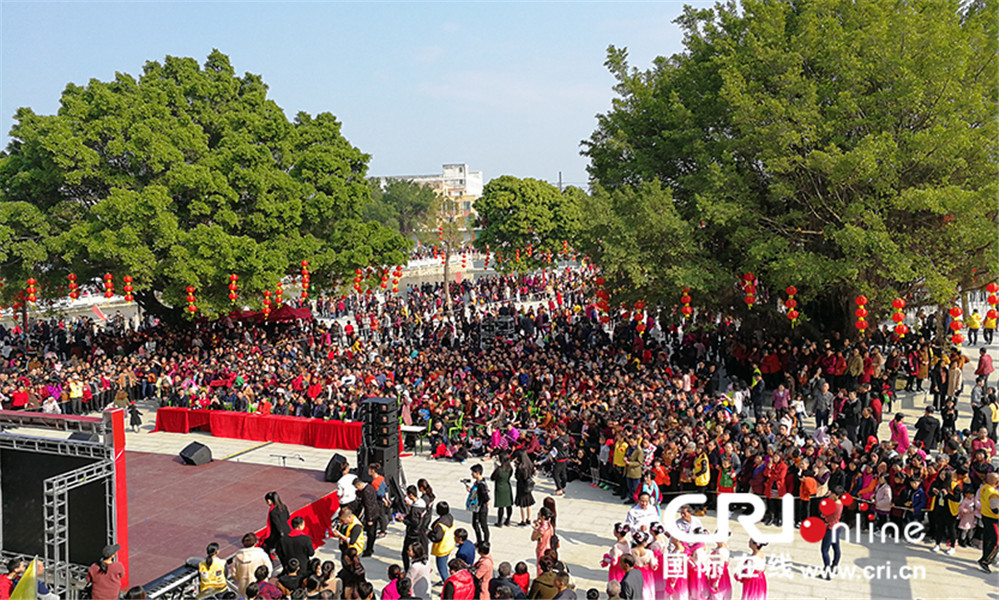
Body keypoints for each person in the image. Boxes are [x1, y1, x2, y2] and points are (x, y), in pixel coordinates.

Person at [229, 533, 272, 597]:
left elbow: (234, 573)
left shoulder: (237, 557)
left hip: (243, 586)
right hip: (259, 586)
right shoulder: (262, 555)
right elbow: (269, 569)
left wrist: (241, 579)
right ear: (255, 542)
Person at [819, 486, 843, 578]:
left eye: (832, 494)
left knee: (824, 550)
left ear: (836, 496)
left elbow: (824, 515)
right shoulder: (839, 504)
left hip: (830, 529)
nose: (830, 494)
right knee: (836, 547)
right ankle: (835, 565)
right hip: (836, 527)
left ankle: (827, 571)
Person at [429, 501, 456, 582]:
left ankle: (446, 582)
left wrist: (429, 533)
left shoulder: (440, 525)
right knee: (444, 564)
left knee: (442, 567)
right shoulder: (450, 517)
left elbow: (437, 537)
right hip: (449, 544)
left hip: (442, 548)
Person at [354, 476, 381, 556]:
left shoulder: (366, 492)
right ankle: (370, 548)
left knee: (371, 533)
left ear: (359, 485)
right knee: (372, 533)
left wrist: (369, 519)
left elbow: (368, 506)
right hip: (376, 511)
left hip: (371, 515)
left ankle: (369, 549)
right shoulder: (370, 487)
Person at [466, 464, 491, 544]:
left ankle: (486, 542)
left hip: (481, 508)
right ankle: (479, 540)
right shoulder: (478, 482)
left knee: (483, 525)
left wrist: (486, 501)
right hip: (477, 507)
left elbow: (485, 496)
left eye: (473, 472)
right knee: (475, 524)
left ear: (478, 473)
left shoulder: (481, 485)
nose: (472, 474)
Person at [979, 472, 999, 573]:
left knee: (987, 539)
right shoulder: (993, 494)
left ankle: (984, 556)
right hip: (993, 519)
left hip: (985, 515)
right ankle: (986, 561)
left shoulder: (984, 488)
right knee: (996, 541)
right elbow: (995, 509)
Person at [263, 491, 291, 560]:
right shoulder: (283, 506)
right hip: (287, 529)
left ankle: (270, 559)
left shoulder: (273, 512)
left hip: (278, 533)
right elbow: (287, 517)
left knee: (265, 545)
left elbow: (277, 525)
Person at [492, 451, 515, 527]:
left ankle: (499, 522)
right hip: (507, 486)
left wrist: (495, 469)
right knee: (508, 505)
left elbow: (492, 478)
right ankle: (508, 520)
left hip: (500, 487)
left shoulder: (499, 469)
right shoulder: (510, 468)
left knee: (501, 506)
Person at [514, 449, 537, 525]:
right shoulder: (530, 464)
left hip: (521, 485)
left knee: (522, 505)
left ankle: (523, 520)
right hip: (528, 485)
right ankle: (528, 519)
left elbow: (517, 477)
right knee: (528, 504)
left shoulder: (521, 467)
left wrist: (516, 468)